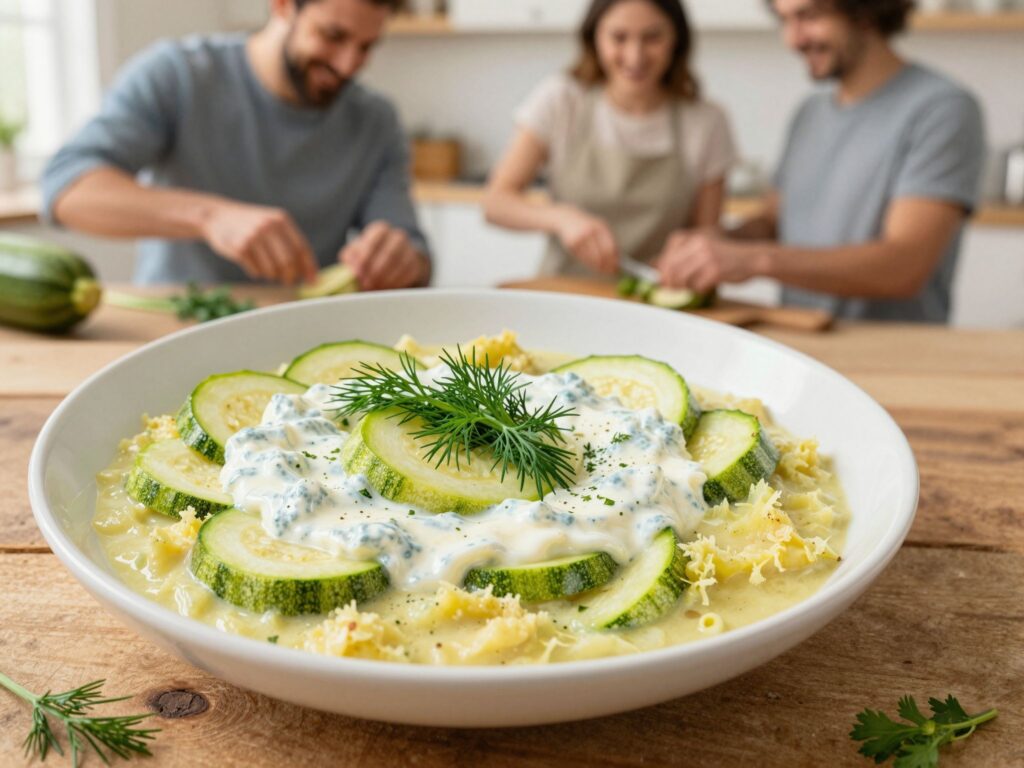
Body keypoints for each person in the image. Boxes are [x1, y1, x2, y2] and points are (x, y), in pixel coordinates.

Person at [41, 0, 430, 290]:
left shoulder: (376, 121)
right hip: (174, 323)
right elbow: (65, 189)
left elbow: (417, 256)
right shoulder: (178, 75)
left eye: (366, 47)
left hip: (299, 327)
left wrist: (402, 259)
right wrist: (209, 217)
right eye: (333, 36)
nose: (348, 65)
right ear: (281, 6)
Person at [657, 0, 986, 323]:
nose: (793, 39)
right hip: (807, 342)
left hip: (896, 353)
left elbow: (905, 265)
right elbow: (773, 221)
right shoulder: (810, 113)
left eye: (808, 16)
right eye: (784, 20)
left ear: (865, 13)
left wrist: (754, 260)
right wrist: (719, 242)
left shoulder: (942, 109)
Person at [484, 0, 736, 279]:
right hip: (562, 292)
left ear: (676, 39)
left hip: (654, 302)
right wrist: (561, 218)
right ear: (595, 39)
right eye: (619, 37)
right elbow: (496, 202)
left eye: (652, 37)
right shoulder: (562, 101)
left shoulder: (706, 122)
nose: (635, 56)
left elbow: (708, 235)